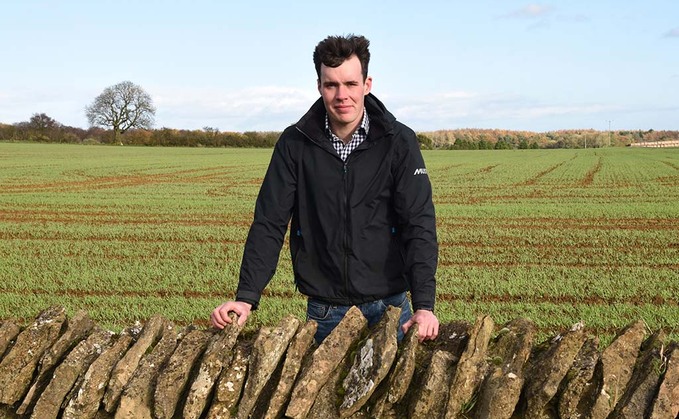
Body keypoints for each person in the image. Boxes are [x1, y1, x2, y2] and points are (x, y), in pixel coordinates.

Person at [211, 34, 439, 343]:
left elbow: (418, 222)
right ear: (319, 87)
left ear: (367, 84)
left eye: (350, 84)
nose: (341, 95)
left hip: (391, 307)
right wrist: (246, 296)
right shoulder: (295, 143)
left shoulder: (399, 141)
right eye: (331, 85)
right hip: (325, 311)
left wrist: (424, 305)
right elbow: (269, 223)